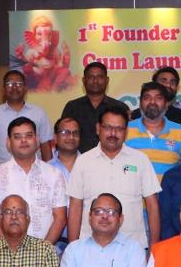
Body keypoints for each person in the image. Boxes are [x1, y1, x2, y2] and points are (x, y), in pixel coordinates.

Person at [67, 107, 160, 250]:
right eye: (108, 127)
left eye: (119, 129)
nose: (113, 133)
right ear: (98, 128)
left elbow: (152, 205)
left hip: (132, 248)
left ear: (126, 132)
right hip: (89, 247)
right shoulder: (83, 161)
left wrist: (154, 248)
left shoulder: (140, 160)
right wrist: (72, 249)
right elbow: (75, 206)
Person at [0, 117, 67, 245]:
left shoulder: (54, 174)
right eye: (17, 137)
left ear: (37, 140)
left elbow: (60, 217)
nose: (23, 141)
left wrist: (44, 250)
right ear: (8, 143)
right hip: (8, 252)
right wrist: (11, 250)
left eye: (29, 135)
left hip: (46, 251)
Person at [0, 70, 53, 165]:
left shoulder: (39, 113)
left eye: (19, 84)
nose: (14, 87)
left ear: (25, 88)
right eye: (9, 84)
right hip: (2, 171)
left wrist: (49, 171)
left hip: (34, 170)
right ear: (3, 89)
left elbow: (46, 147)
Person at [60, 61, 129, 154]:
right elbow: (64, 136)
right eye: (91, 77)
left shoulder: (120, 107)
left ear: (107, 80)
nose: (95, 81)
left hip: (112, 159)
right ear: (84, 80)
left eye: (100, 77)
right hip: (79, 160)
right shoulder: (72, 107)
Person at [125, 81, 181, 179]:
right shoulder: (125, 130)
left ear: (166, 104)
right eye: (147, 98)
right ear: (140, 103)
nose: (152, 102)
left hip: (169, 189)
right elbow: (120, 166)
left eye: (158, 98)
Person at [47, 116, 81, 184]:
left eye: (75, 133)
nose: (71, 137)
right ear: (55, 138)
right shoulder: (46, 168)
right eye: (65, 132)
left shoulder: (89, 164)